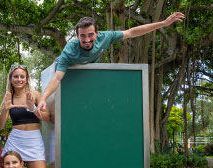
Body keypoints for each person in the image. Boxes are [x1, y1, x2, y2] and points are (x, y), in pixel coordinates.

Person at [38, 13, 186, 112]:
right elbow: (57, 77)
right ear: (77, 36)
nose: (87, 39)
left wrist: (164, 23)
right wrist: (43, 99)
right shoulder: (70, 50)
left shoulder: (106, 37)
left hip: (88, 70)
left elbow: (131, 32)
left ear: (97, 33)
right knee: (55, 98)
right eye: (82, 36)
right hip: (68, 69)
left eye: (91, 35)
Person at [0, 65, 51, 168]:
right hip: (15, 141)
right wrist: (5, 109)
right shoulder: (8, 97)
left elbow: (48, 118)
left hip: (34, 141)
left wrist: (33, 108)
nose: (19, 79)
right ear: (11, 79)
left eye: (22, 76)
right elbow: (0, 126)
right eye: (16, 76)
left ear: (26, 79)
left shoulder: (35, 95)